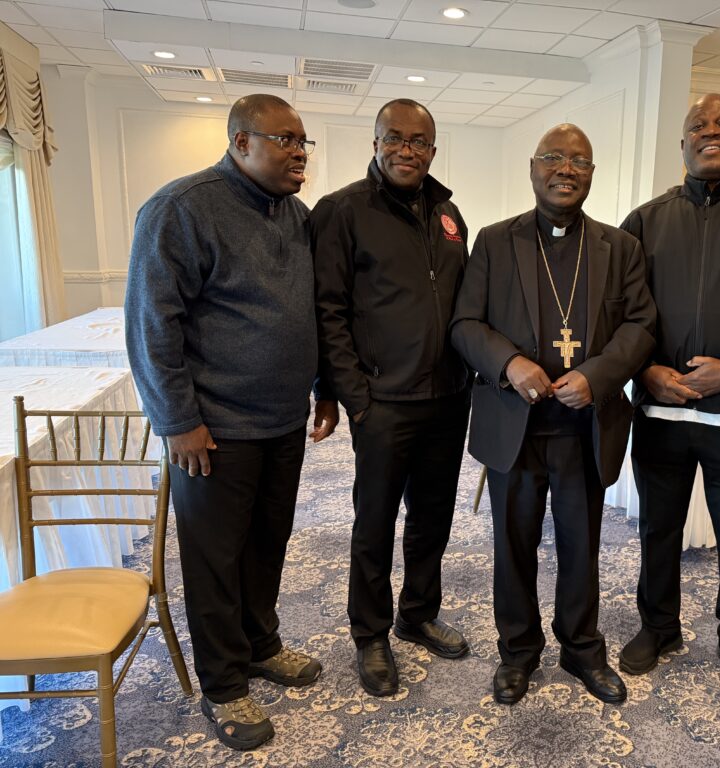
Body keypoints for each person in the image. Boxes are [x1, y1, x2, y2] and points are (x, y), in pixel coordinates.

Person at [125, 94, 322, 751]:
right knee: (214, 559)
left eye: (304, 142)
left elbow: (306, 316)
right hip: (212, 431)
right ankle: (223, 684)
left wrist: (319, 386)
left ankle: (261, 644)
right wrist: (177, 421)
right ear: (241, 142)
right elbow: (153, 326)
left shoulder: (295, 216)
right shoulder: (181, 209)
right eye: (285, 140)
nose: (300, 153)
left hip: (281, 422)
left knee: (268, 543)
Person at [451, 124, 656, 706]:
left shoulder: (621, 247)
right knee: (512, 547)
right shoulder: (494, 241)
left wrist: (597, 375)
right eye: (554, 159)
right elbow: (465, 324)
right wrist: (510, 362)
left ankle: (582, 649)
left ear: (593, 173)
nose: (566, 169)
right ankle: (517, 653)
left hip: (584, 430)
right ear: (534, 167)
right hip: (515, 428)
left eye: (580, 161)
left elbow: (642, 325)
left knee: (581, 545)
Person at [618, 94, 720, 701]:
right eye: (697, 126)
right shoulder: (646, 219)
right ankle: (658, 628)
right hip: (660, 412)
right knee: (658, 529)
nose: (710, 132)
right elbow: (625, 315)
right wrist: (647, 369)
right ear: (681, 142)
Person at [309, 99, 472, 697]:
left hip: (449, 397)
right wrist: (354, 397)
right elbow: (327, 312)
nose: (408, 150)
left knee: (433, 518)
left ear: (434, 147)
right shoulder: (342, 211)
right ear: (375, 143)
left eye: (419, 141)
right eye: (395, 139)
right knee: (374, 523)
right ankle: (370, 632)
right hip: (384, 403)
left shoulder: (448, 213)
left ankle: (418, 613)